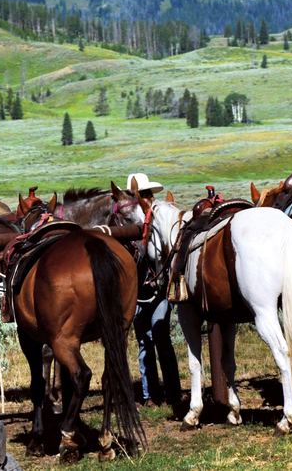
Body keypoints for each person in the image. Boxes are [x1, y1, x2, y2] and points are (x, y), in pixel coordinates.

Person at [126, 173, 182, 409]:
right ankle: (151, 394)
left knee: (158, 335)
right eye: (142, 194)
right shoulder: (127, 221)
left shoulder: (159, 217)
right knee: (144, 340)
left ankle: (170, 393)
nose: (146, 199)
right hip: (141, 289)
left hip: (158, 287)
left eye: (146, 194)